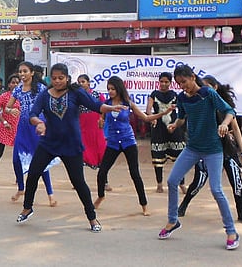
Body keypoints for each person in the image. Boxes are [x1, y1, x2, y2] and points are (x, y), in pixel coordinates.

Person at [15, 63, 121, 232]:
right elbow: (32, 115)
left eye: (61, 78)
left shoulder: (75, 92)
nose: (57, 81)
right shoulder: (44, 95)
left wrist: (111, 108)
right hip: (49, 143)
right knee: (33, 173)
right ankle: (27, 207)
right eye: (54, 78)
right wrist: (40, 123)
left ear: (67, 78)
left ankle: (92, 218)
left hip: (71, 145)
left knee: (78, 182)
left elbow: (96, 106)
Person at [158, 64, 240, 251]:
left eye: (184, 82)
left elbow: (229, 111)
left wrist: (225, 124)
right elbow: (182, 117)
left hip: (212, 149)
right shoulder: (181, 98)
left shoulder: (207, 94)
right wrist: (174, 125)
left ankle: (231, 232)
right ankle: (173, 221)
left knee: (216, 190)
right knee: (172, 181)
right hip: (192, 148)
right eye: (179, 84)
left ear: (193, 77)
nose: (182, 86)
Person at [177, 75, 242, 225]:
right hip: (205, 149)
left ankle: (241, 213)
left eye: (207, 87)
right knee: (199, 181)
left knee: (236, 181)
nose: (204, 91)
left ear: (215, 88)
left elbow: (236, 128)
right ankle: (183, 205)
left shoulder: (224, 106)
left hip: (226, 149)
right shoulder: (198, 102)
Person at [95, 76, 168, 215]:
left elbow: (145, 117)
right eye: (108, 89)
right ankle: (101, 196)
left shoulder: (128, 103)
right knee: (102, 172)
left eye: (113, 89)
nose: (110, 91)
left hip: (128, 141)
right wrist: (101, 122)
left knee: (135, 173)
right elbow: (101, 119)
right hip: (113, 142)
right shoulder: (107, 105)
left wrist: (162, 113)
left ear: (119, 89)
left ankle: (144, 205)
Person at [4, 62, 56, 207]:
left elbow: (50, 106)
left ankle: (50, 194)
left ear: (32, 73)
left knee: (41, 162)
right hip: (22, 127)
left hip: (37, 127)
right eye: (20, 71)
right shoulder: (18, 89)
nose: (22, 74)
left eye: (25, 71)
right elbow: (7, 107)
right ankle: (21, 188)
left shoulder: (41, 89)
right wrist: (11, 111)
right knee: (16, 160)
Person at [146, 72, 185, 193]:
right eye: (161, 81)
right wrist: (152, 118)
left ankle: (182, 183)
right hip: (159, 129)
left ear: (170, 83)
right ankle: (159, 184)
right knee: (158, 157)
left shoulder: (175, 95)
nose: (164, 84)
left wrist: (178, 123)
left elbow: (183, 110)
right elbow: (148, 110)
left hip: (174, 128)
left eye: (166, 82)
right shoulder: (154, 94)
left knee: (179, 158)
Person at [0, 74, 20, 182]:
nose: (15, 84)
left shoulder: (23, 96)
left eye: (17, 82)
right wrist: (4, 121)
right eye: (13, 82)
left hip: (18, 128)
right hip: (5, 128)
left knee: (18, 154)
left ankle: (18, 177)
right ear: (9, 84)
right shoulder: (4, 96)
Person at [77, 74, 107, 169]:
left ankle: (103, 177)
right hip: (83, 126)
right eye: (79, 82)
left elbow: (103, 108)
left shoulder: (97, 95)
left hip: (95, 125)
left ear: (88, 83)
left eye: (83, 82)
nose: (81, 84)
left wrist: (101, 118)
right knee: (82, 150)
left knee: (100, 148)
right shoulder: (77, 97)